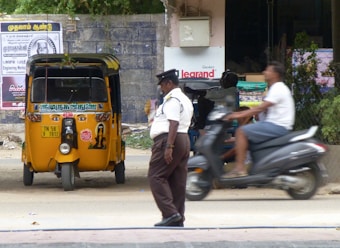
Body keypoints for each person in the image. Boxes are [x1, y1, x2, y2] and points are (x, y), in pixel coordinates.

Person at [223, 61, 295, 178]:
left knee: (241, 131)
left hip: (277, 126)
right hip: (275, 125)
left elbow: (259, 109)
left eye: (268, 70)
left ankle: (240, 169)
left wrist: (237, 115)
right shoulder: (275, 88)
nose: (264, 72)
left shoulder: (278, 88)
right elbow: (261, 109)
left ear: (275, 74)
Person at [148, 69, 193, 227]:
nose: (161, 88)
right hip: (183, 139)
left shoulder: (173, 99)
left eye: (162, 85)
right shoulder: (185, 99)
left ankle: (170, 213)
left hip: (169, 138)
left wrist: (169, 146)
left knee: (156, 176)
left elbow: (173, 123)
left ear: (169, 83)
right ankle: (178, 217)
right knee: (177, 180)